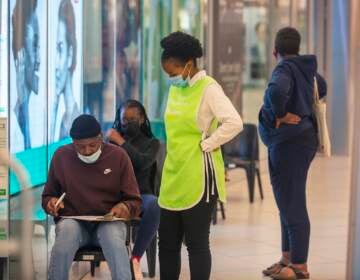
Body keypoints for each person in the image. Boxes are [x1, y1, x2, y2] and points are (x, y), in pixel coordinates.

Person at [158, 31, 243, 280]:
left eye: (173, 72)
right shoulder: (175, 90)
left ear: (188, 64)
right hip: (173, 173)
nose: (171, 78)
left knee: (196, 244)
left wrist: (209, 143)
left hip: (198, 176)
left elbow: (234, 122)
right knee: (167, 244)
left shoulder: (209, 89)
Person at [258, 27, 327, 280]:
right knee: (286, 201)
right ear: (297, 48)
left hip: (289, 145)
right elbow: (324, 85)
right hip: (302, 143)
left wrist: (281, 115)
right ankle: (287, 258)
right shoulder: (305, 69)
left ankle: (300, 265)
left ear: (275, 51)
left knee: (293, 202)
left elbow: (277, 92)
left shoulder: (284, 68)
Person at [42, 114, 141, 280]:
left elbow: (135, 200)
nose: (87, 151)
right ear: (73, 142)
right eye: (80, 147)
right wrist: (51, 203)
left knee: (113, 240)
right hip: (73, 222)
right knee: (65, 236)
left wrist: (125, 207)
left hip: (109, 221)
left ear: (101, 138)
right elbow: (48, 196)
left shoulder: (118, 156)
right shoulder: (61, 156)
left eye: (92, 146)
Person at [107, 100, 161, 280]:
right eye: (124, 119)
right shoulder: (111, 142)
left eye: (133, 119)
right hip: (116, 196)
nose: (128, 123)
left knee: (155, 205)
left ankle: (135, 257)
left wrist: (121, 142)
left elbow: (142, 163)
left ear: (142, 118)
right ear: (118, 119)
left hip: (141, 195)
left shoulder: (152, 143)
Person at [12, 0, 40, 149]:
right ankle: (27, 146)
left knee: (22, 108)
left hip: (24, 69)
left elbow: (35, 45)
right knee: (22, 108)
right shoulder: (20, 17)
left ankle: (28, 146)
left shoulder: (32, 17)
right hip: (22, 68)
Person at [50, 0, 80, 142]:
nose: (55, 65)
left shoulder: (76, 121)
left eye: (60, 50)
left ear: (70, 54)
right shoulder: (64, 119)